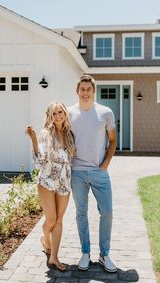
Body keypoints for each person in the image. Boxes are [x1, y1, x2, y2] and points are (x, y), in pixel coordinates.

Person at [68, 74, 117, 272]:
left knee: (107, 212)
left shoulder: (105, 113)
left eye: (89, 89)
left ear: (93, 91)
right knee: (81, 213)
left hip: (99, 172)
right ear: (77, 91)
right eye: (82, 89)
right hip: (77, 172)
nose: (85, 93)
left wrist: (105, 163)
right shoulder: (70, 113)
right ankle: (85, 253)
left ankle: (104, 255)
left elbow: (112, 140)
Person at [27, 100, 75, 271]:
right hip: (47, 182)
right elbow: (40, 161)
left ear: (65, 113)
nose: (58, 115)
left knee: (59, 220)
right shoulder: (46, 133)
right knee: (52, 219)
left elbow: (72, 160)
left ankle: (53, 257)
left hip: (64, 182)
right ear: (50, 116)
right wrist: (33, 140)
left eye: (60, 112)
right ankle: (45, 234)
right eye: (54, 113)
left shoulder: (70, 135)